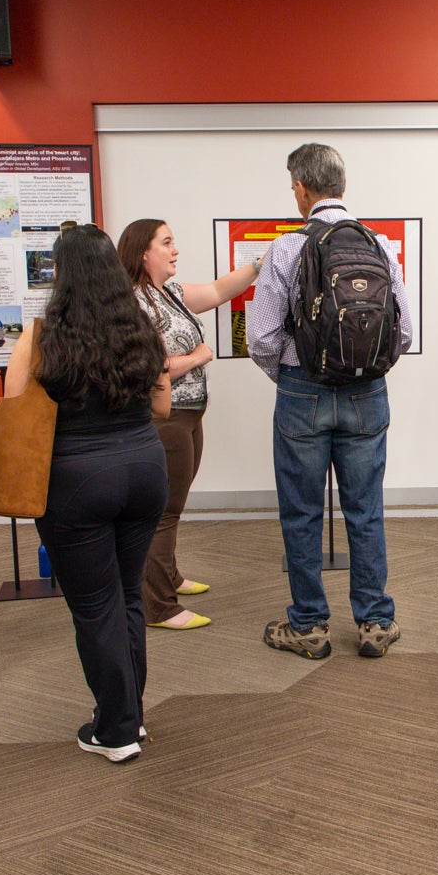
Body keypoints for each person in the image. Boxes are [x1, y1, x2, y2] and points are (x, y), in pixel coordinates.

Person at [4, 224, 170, 762]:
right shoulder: (143, 326)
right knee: (126, 595)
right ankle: (131, 716)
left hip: (76, 480)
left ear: (62, 274)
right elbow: (162, 404)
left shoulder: (43, 334)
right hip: (145, 469)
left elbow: (14, 403)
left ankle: (116, 730)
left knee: (95, 606)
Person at [248, 143, 411, 660]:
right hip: (367, 394)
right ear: (342, 184)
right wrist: (365, 372)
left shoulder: (286, 248)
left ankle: (309, 626)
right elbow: (404, 330)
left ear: (301, 188)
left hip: (303, 392)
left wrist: (291, 378)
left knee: (301, 513)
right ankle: (375, 622)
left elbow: (261, 338)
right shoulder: (378, 244)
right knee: (366, 510)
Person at [116, 218, 262, 631]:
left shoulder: (171, 294)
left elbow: (218, 291)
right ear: (143, 252)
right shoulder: (134, 303)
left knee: (171, 508)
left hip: (190, 416)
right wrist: (197, 357)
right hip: (165, 419)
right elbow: (147, 367)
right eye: (167, 242)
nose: (175, 249)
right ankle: (158, 606)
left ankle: (169, 578)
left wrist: (259, 264)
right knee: (163, 512)